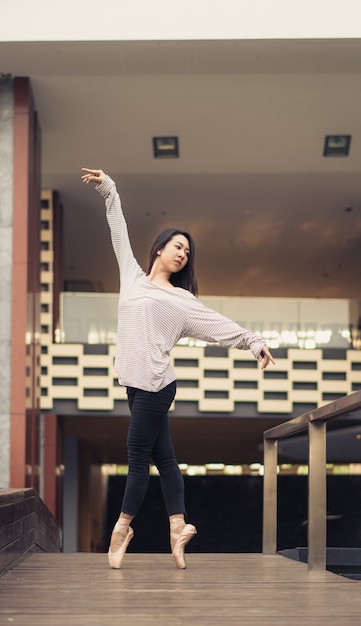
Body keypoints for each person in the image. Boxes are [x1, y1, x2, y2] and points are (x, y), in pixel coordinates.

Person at [81, 167, 275, 570]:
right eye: (178, 246)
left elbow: (222, 327)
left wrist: (254, 341)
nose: (183, 253)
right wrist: (109, 189)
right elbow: (118, 229)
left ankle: (121, 530)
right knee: (165, 460)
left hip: (155, 383)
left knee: (136, 458)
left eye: (187, 251)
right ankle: (177, 527)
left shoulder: (183, 301)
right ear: (160, 248)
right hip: (135, 384)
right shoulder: (133, 278)